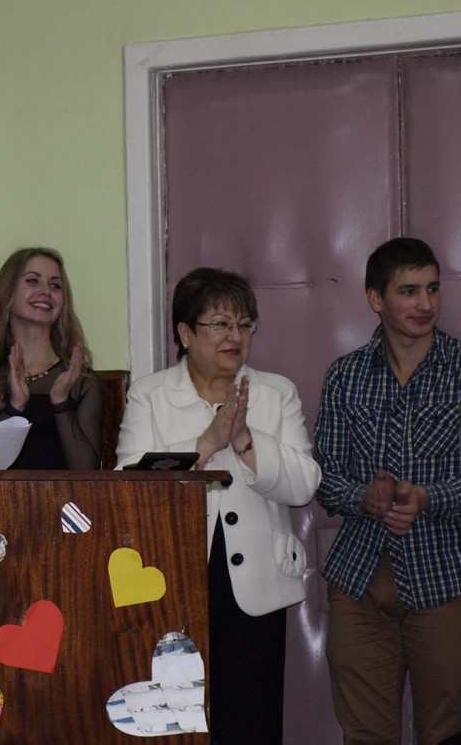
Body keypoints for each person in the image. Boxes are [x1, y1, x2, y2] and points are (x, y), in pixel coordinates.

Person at [115, 267, 319, 744]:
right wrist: (205, 444)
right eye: (221, 324)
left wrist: (245, 440)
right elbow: (129, 486)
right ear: (186, 333)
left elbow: (304, 485)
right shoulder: (149, 395)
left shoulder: (276, 393)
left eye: (245, 325)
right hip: (174, 582)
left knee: (251, 724)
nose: (236, 336)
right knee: (180, 725)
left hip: (256, 589)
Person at [314, 238, 461, 745]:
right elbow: (325, 476)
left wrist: (427, 497)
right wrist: (365, 497)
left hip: (446, 579)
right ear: (375, 299)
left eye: (432, 289)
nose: (425, 303)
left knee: (448, 731)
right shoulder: (346, 376)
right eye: (408, 291)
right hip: (360, 583)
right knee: (364, 734)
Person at [0, 247, 102, 469]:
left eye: (55, 285)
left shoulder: (82, 383)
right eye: (33, 281)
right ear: (8, 292)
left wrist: (61, 403)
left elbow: (88, 473)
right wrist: (14, 407)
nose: (45, 291)